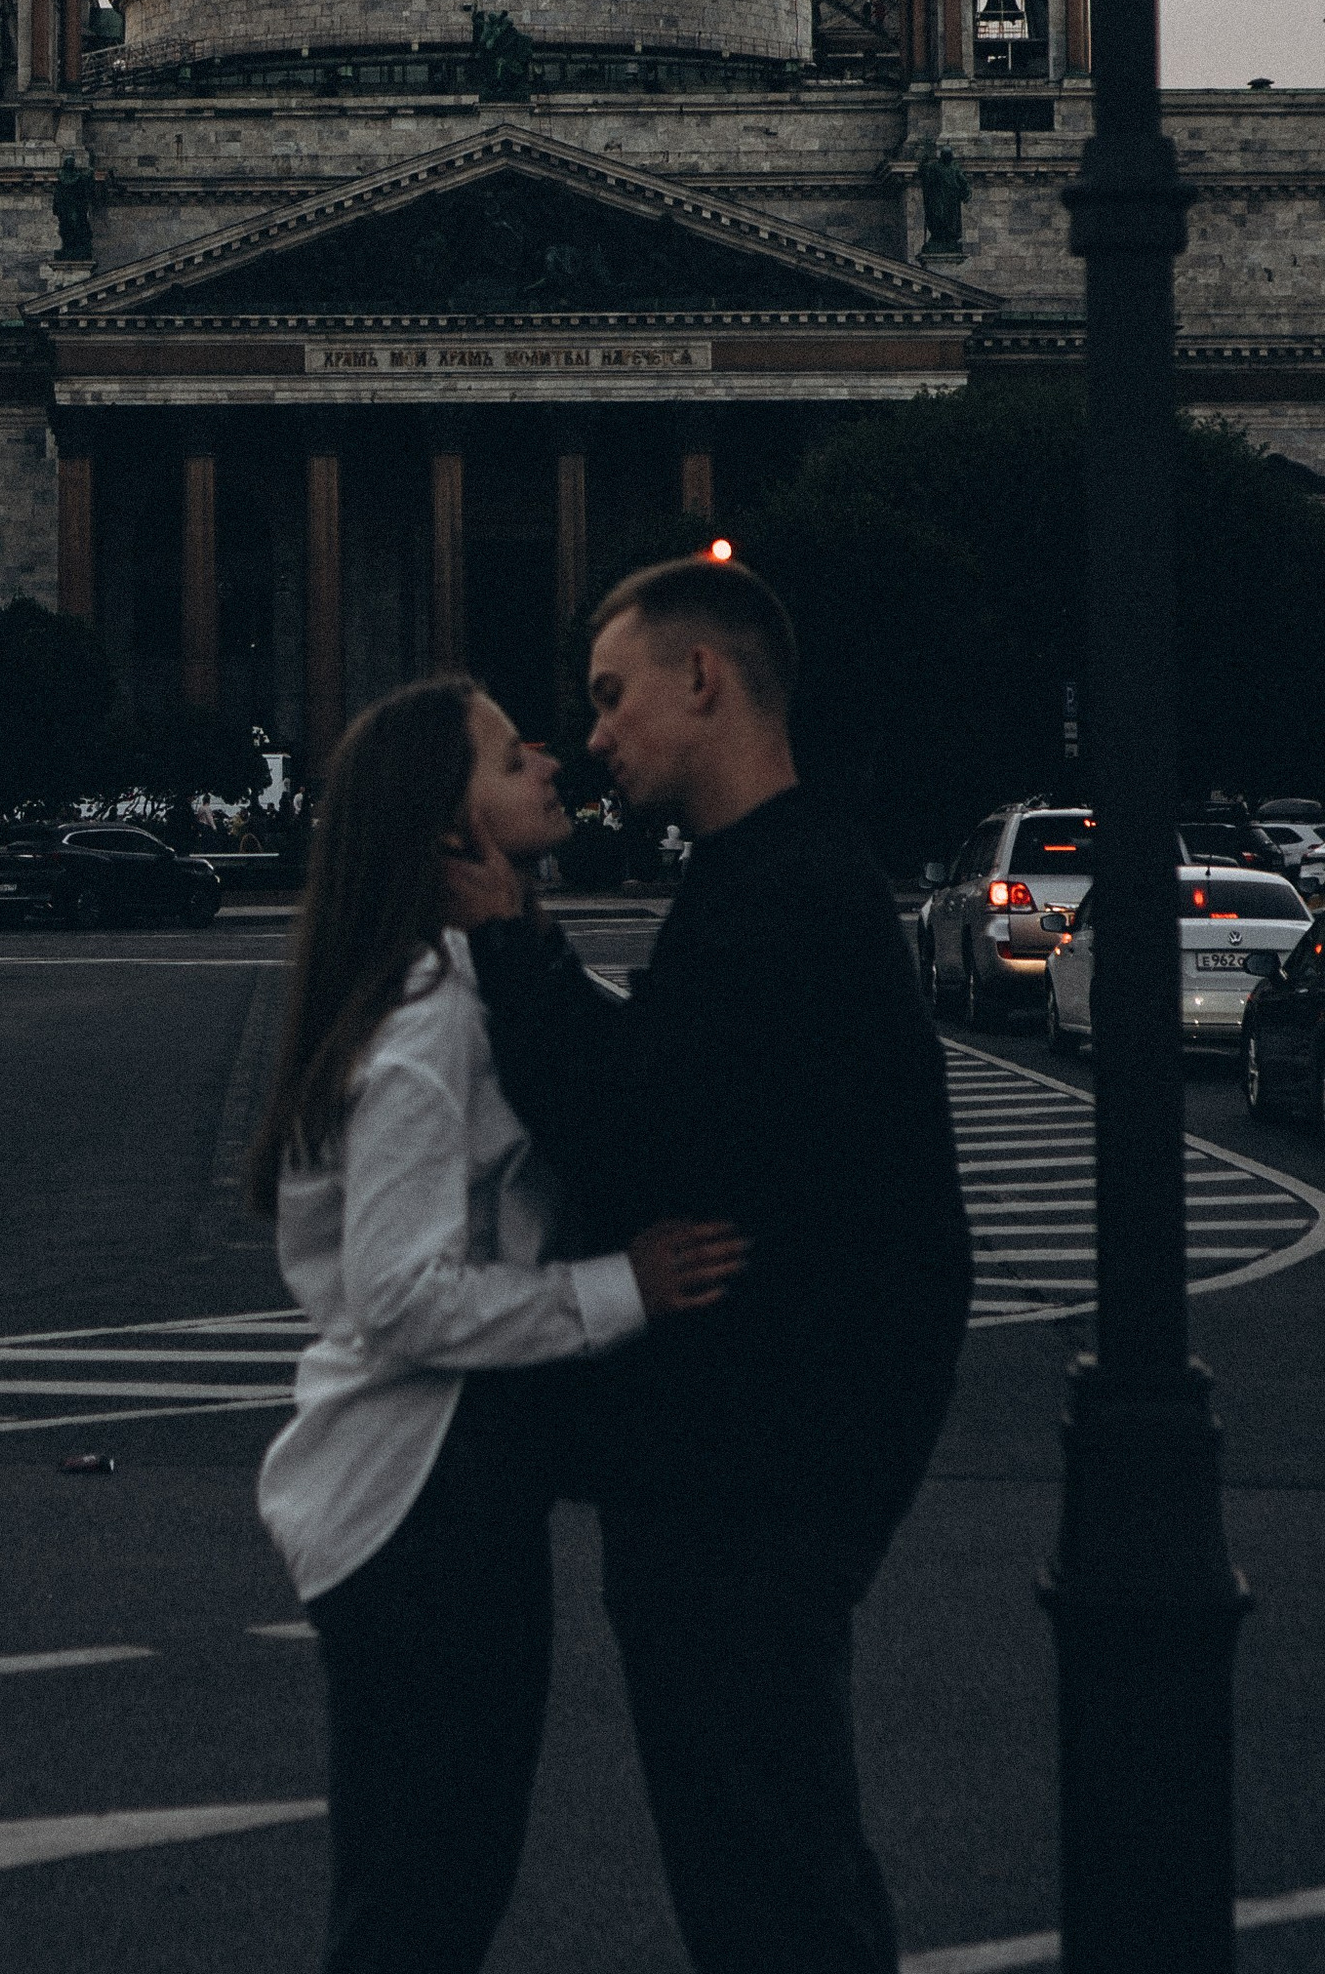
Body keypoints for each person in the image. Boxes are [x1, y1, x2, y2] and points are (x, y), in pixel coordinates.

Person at [456, 556, 972, 1974]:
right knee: (769, 1855)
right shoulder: (781, 876)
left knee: (766, 1877)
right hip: (761, 1467)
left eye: (611, 695)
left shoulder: (787, 895)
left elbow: (639, 1121)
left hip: (750, 1480)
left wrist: (508, 946)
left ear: (703, 679)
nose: (594, 737)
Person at [249, 674, 745, 1974]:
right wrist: (624, 1288)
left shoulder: (451, 982)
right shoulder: (431, 1017)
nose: (546, 758)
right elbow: (400, 1293)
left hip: (437, 1486)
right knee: (426, 1901)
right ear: (445, 823)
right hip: (418, 1493)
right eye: (506, 752)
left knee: (430, 1891)